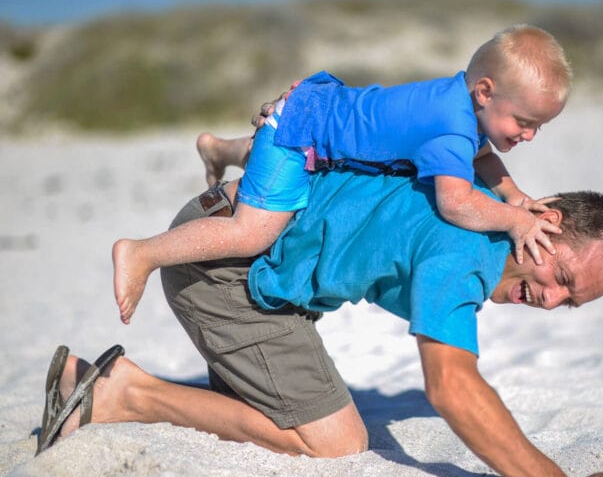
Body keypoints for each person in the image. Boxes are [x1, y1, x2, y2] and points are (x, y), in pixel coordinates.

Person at [39, 152, 603, 477]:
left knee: (271, 420)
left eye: (571, 302)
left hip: (239, 237)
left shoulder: (478, 198)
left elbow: (470, 147)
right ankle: (124, 394)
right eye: (562, 278)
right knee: (336, 441)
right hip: (222, 265)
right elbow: (453, 387)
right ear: (549, 216)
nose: (553, 300)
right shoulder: (465, 254)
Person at [112, 24, 573, 323]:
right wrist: (515, 221)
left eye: (539, 127)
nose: (530, 135)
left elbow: (482, 158)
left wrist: (513, 194)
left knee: (268, 160)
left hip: (313, 112)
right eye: (525, 122)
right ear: (485, 92)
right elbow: (455, 202)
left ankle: (220, 149)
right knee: (254, 232)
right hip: (302, 135)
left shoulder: (459, 109)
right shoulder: (452, 128)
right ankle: (142, 253)